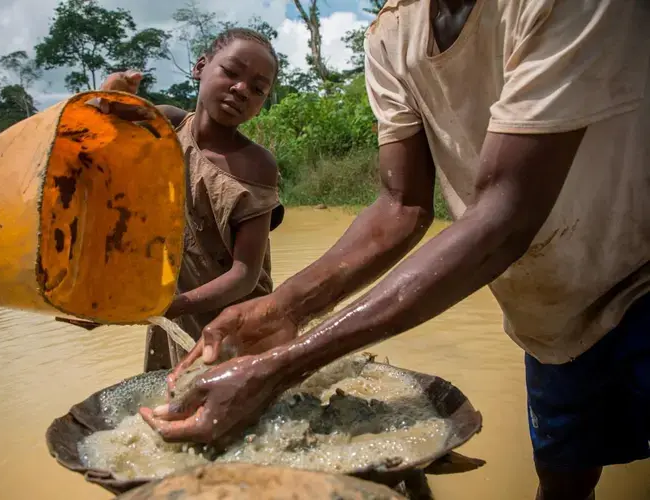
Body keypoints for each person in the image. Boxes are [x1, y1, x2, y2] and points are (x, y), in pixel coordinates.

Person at [141, 1, 650, 499]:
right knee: (563, 470)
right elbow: (401, 207)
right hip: (550, 311)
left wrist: (284, 364)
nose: (242, 92)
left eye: (259, 87)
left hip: (638, 275)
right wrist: (284, 308)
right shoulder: (392, 32)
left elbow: (506, 211)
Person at [94, 28, 286, 369]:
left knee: (245, 407)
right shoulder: (167, 124)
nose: (241, 90)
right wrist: (112, 94)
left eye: (258, 89)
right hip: (178, 313)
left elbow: (245, 273)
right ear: (200, 66)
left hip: (239, 324)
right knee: (174, 400)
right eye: (230, 72)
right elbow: (99, 129)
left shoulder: (257, 165)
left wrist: (168, 305)